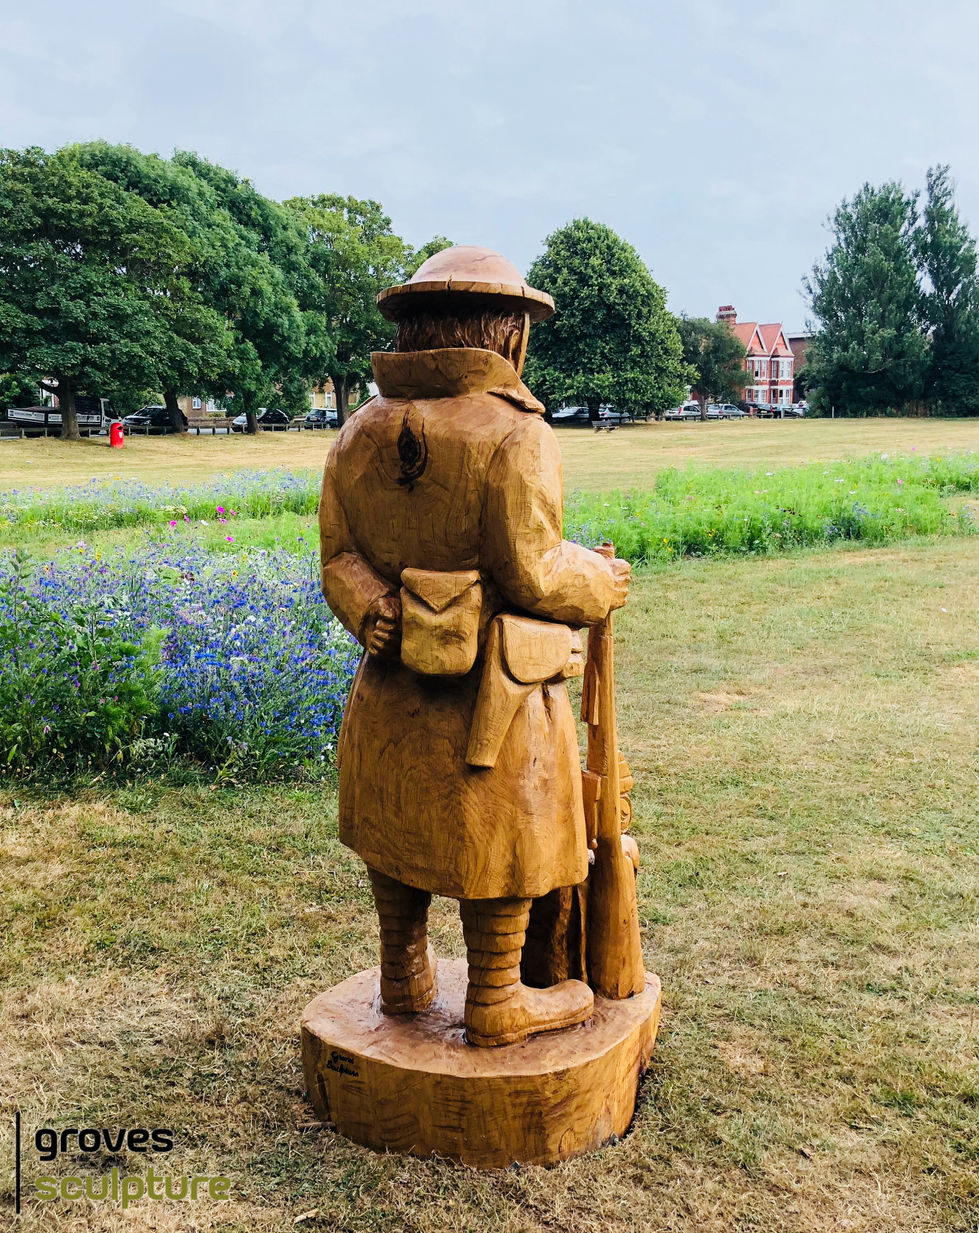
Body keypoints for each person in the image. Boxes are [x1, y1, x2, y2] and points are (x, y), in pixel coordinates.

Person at [319, 246, 630, 1047]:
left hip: (389, 687)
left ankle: (403, 974)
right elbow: (533, 571)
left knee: (398, 815)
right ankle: (496, 997)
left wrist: (371, 610)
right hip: (493, 695)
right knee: (505, 825)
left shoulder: (358, 429)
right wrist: (599, 578)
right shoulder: (512, 432)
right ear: (504, 331)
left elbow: (336, 555)